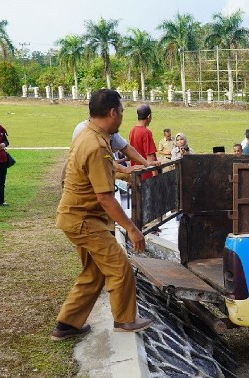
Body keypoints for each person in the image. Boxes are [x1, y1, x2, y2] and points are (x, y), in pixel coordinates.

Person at [52, 89, 151, 341]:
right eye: (122, 111)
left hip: (75, 217)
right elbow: (105, 197)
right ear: (112, 112)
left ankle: (67, 324)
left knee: (94, 272)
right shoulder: (96, 144)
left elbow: (101, 170)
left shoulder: (88, 132)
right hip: (84, 220)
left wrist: (127, 170)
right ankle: (125, 320)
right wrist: (132, 228)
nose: (122, 116)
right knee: (119, 268)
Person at [128, 105, 158, 180]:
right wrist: (155, 176)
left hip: (136, 172)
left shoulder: (132, 131)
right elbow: (150, 157)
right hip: (147, 174)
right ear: (149, 116)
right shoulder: (146, 132)